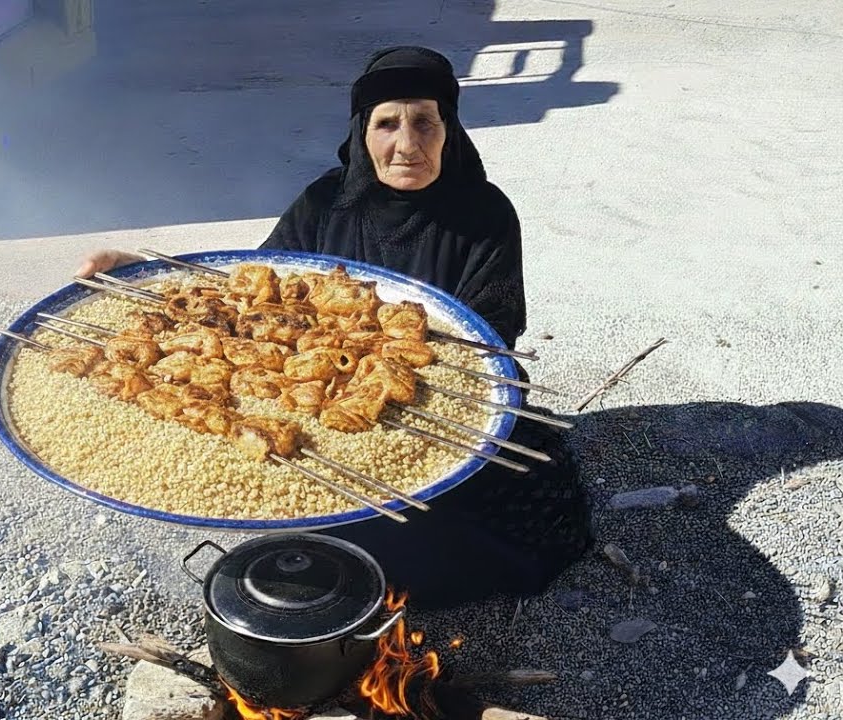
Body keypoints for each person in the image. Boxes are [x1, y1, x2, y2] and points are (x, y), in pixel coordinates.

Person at [76, 46, 592, 610]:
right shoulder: (325, 201)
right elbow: (249, 290)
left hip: (428, 401)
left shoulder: (485, 213)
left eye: (425, 122)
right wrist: (141, 271)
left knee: (467, 524)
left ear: (450, 129)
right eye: (387, 123)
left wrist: (394, 360)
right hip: (309, 405)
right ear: (361, 132)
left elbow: (491, 338)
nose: (407, 144)